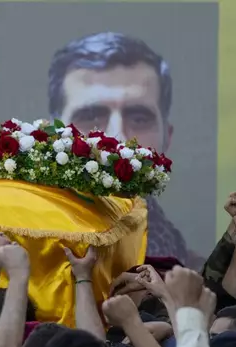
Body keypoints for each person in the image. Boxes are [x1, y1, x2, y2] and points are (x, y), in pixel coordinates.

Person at [47, 31, 201, 268]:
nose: (117, 138)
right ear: (52, 135)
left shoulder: (200, 281)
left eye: (139, 118)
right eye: (90, 116)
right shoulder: (17, 263)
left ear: (166, 138)